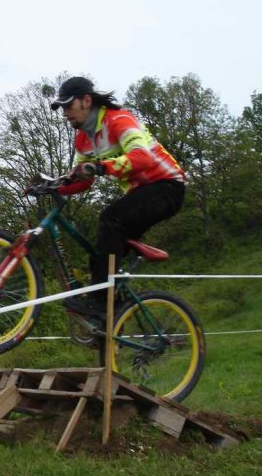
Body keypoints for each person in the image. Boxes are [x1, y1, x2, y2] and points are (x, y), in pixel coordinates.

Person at [49, 76, 186, 318]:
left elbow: (143, 158)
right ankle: (113, 311)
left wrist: (101, 167)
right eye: (61, 108)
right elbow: (84, 180)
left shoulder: (118, 120)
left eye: (68, 105)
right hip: (141, 193)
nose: (65, 112)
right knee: (100, 256)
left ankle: (101, 301)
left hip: (167, 187)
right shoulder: (83, 138)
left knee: (110, 219)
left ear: (86, 100)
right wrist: (54, 187)